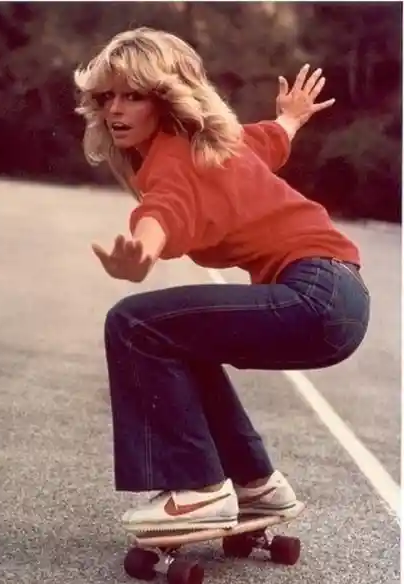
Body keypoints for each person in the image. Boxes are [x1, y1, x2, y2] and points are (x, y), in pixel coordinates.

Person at [74, 27, 370, 534]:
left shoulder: (175, 157)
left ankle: (198, 490)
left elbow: (164, 210)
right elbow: (272, 141)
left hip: (313, 293)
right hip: (340, 297)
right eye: (106, 97)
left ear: (166, 100)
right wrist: (291, 116)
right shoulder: (221, 143)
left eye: (133, 95)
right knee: (180, 339)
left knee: (133, 324)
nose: (114, 111)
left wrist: (142, 253)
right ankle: (258, 486)